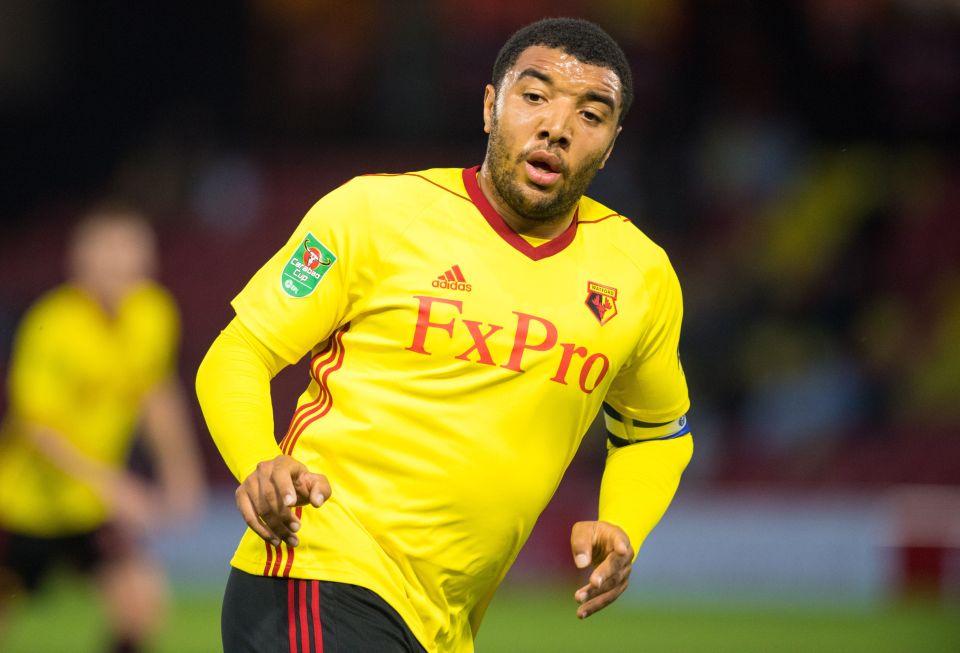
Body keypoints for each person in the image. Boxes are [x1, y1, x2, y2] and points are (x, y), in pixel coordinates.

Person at [196, 17, 692, 653]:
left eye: (590, 115)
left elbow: (656, 432)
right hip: (317, 568)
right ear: (490, 106)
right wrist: (258, 464)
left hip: (443, 623)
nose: (557, 127)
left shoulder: (640, 273)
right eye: (534, 97)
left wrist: (624, 524)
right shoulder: (373, 214)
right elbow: (237, 353)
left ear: (612, 143)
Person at [0, 205, 205, 653]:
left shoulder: (152, 312)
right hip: (23, 509)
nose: (121, 265)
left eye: (131, 252)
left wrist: (180, 467)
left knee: (140, 606)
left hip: (92, 510)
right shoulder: (52, 326)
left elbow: (156, 393)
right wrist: (115, 487)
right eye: (109, 252)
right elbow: (37, 428)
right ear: (80, 260)